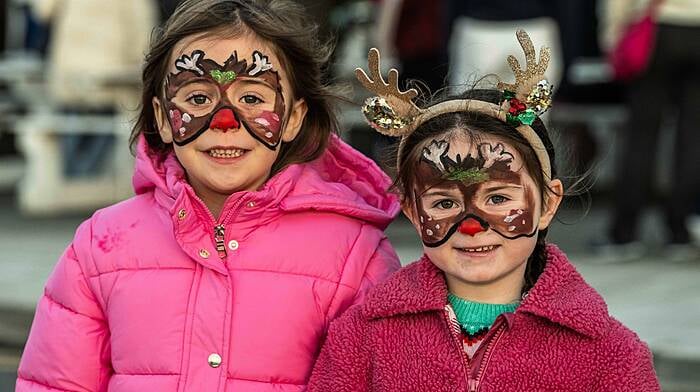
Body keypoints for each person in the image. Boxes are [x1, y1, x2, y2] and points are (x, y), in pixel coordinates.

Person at [16, 0, 401, 390]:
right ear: (164, 118)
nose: (225, 123)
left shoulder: (356, 255)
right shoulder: (99, 247)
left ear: (293, 119)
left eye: (252, 98)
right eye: (198, 98)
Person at [308, 31, 660, 391]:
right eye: (444, 203)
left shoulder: (610, 353)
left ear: (548, 203)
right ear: (413, 212)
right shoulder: (362, 335)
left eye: (497, 199)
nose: (472, 226)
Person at [600, 0, 700, 261]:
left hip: (658, 27)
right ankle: (680, 232)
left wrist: (613, 34)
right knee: (693, 137)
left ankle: (625, 233)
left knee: (641, 137)